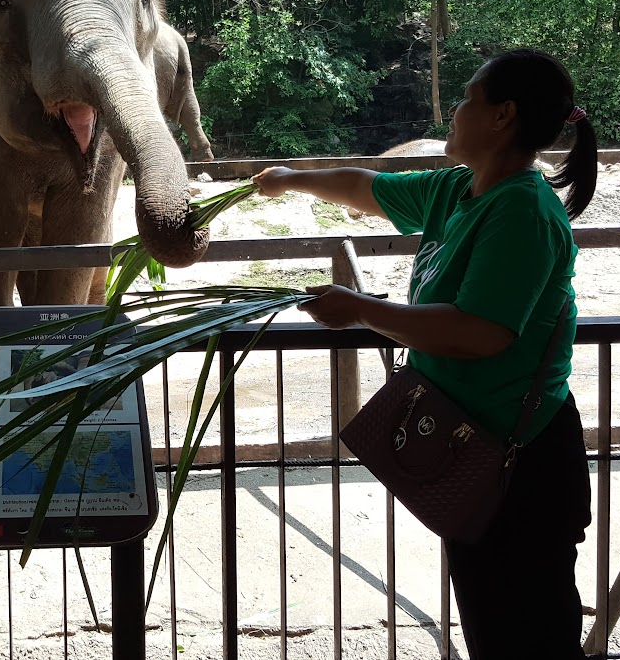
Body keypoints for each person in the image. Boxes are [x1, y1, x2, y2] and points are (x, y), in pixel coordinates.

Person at [252, 48, 597, 659]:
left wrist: (359, 310)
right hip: (473, 446)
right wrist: (290, 179)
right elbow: (366, 187)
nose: (454, 110)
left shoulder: (521, 208)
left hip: (522, 463)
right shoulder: (457, 189)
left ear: (502, 115)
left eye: (467, 98)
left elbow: (478, 331)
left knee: (528, 635)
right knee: (493, 627)